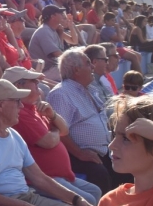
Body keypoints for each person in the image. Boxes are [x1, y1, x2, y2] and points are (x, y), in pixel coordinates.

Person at [5, 66, 102, 206]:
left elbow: (65, 131)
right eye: (34, 81)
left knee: (95, 191)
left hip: (60, 175)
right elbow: (48, 141)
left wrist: (53, 115)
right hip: (45, 178)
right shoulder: (20, 114)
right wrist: (55, 131)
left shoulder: (34, 108)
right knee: (90, 200)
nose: (38, 84)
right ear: (18, 85)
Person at [47, 49, 123, 193]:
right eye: (88, 64)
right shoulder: (61, 94)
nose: (93, 67)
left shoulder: (90, 89)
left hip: (103, 150)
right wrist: (80, 153)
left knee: (128, 170)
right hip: (79, 156)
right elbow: (58, 130)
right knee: (102, 177)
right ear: (76, 70)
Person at [28, 5, 69, 80]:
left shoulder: (52, 30)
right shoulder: (44, 31)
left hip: (53, 67)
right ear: (53, 16)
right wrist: (74, 59)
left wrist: (60, 34)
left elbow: (60, 50)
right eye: (59, 13)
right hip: (44, 71)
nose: (62, 15)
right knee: (75, 73)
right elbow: (57, 54)